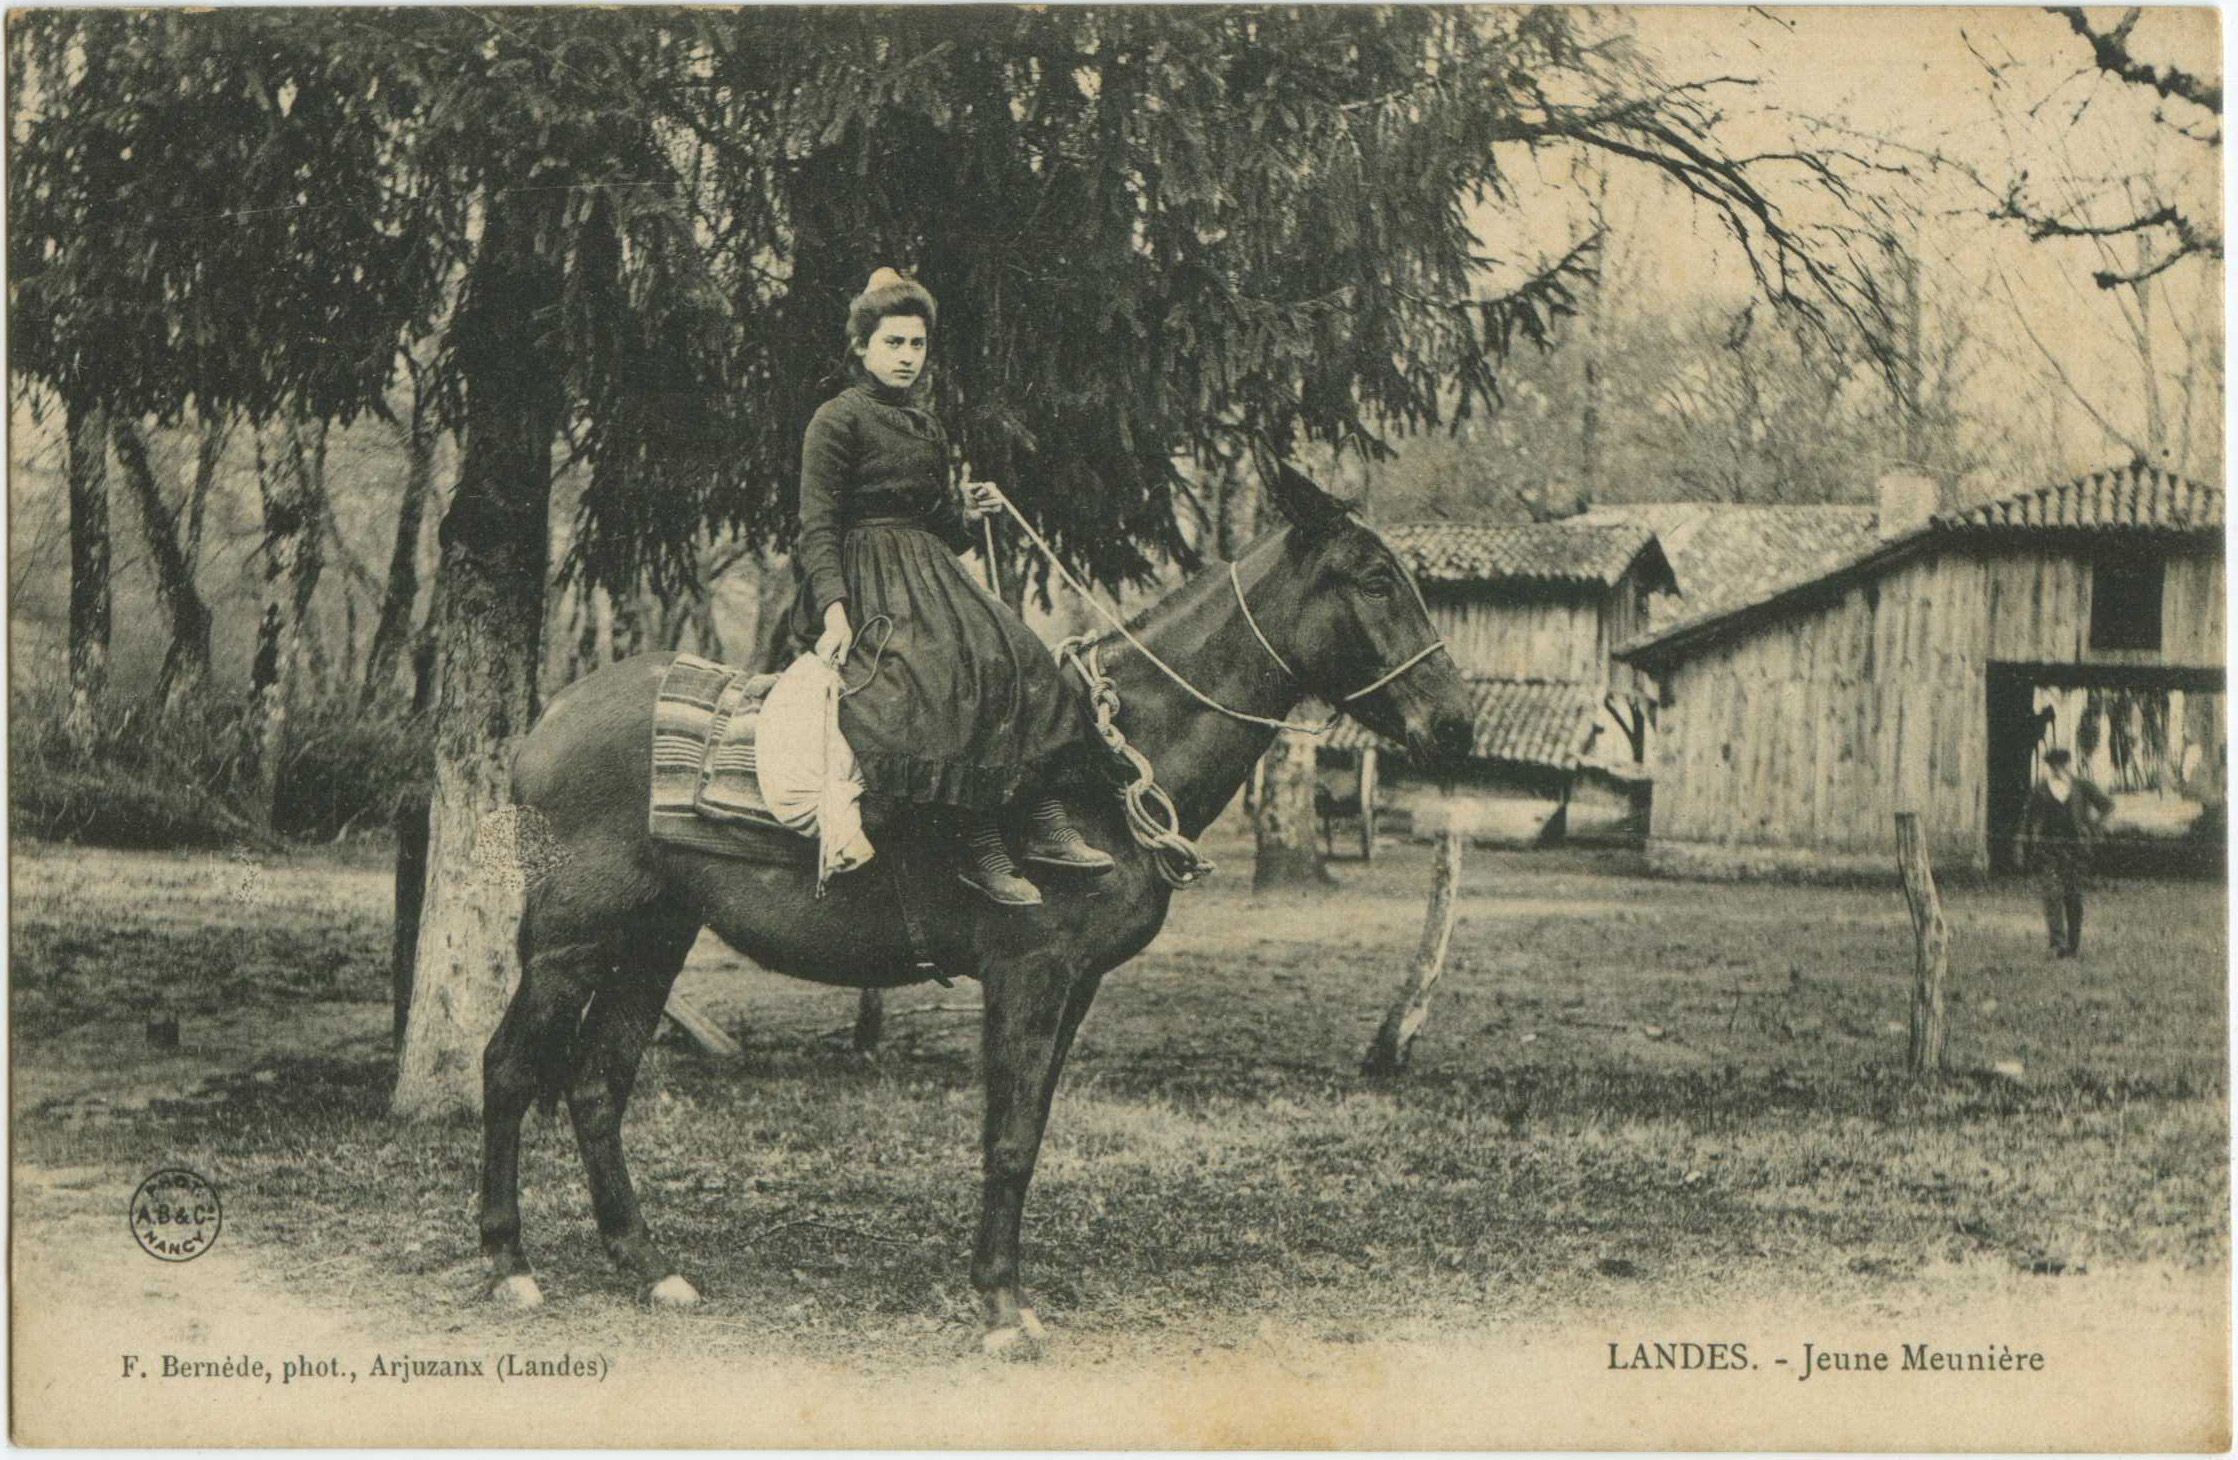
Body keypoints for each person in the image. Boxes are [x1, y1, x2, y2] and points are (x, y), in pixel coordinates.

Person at [789, 268, 1112, 906]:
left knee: (1016, 653)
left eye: (917, 345)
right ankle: (980, 849)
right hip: (866, 581)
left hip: (929, 573)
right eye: (893, 344)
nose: (907, 357)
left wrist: (971, 512)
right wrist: (833, 610)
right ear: (862, 347)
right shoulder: (837, 420)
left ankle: (1045, 823)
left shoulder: (928, 428)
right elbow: (816, 525)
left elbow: (944, 528)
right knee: (937, 677)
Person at [2015, 747, 2114, 959]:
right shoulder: (2041, 790)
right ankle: (2057, 944)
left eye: (2062, 764)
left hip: (2076, 850)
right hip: (2048, 849)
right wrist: (2022, 844)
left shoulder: (2081, 787)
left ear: (2068, 765)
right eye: (2054, 765)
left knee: (2074, 897)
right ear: (2049, 767)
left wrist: (2093, 827)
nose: (2058, 769)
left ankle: (2073, 945)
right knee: (2052, 895)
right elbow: (2027, 818)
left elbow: (2107, 805)